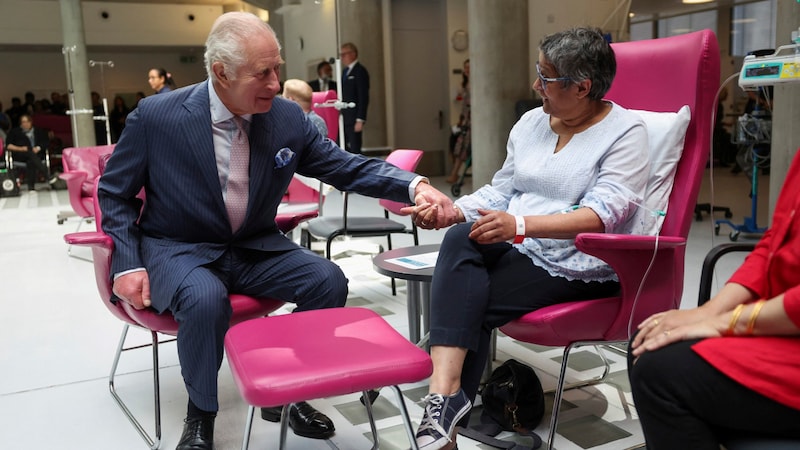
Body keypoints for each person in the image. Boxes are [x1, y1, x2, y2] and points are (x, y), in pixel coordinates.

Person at [97, 12, 455, 450]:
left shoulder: (286, 118)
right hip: (180, 247)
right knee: (205, 298)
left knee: (327, 280)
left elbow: (343, 166)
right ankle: (201, 414)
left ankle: (289, 391)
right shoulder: (158, 117)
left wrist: (413, 183)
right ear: (221, 73)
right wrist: (127, 264)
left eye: (277, 68)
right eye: (262, 73)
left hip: (252, 245)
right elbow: (114, 194)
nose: (274, 83)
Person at [409, 27, 650, 450]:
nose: (535, 85)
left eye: (546, 77)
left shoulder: (627, 133)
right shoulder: (531, 122)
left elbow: (602, 215)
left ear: (582, 86)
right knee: (460, 238)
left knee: (470, 299)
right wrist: (452, 210)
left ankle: (442, 416)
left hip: (582, 260)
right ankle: (444, 399)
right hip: (523, 246)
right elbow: (501, 191)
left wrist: (519, 226)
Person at [628, 149, 800, 450]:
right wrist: (709, 312)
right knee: (648, 338)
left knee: (660, 373)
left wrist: (726, 323)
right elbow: (777, 239)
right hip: (784, 321)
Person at [4, 114, 55, 192]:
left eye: (27, 122)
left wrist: (38, 148)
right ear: (21, 123)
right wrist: (21, 148)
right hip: (20, 155)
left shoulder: (39, 131)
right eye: (23, 122)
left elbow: (46, 143)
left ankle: (31, 188)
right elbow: (8, 146)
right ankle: (48, 176)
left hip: (36, 155)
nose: (25, 124)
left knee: (31, 160)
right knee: (29, 153)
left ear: (31, 122)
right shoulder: (14, 132)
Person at [340, 42, 369, 154]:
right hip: (344, 116)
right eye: (341, 55)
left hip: (354, 117)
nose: (342, 57)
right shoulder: (344, 72)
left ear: (353, 54)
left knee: (355, 148)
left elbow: (363, 96)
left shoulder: (360, 71)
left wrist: (360, 119)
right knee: (342, 144)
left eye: (345, 54)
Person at [446, 59, 471, 184]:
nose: (467, 70)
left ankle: (455, 174)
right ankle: (455, 174)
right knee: (458, 146)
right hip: (466, 121)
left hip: (472, 122)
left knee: (462, 148)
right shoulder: (466, 84)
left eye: (469, 67)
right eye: (465, 68)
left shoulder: (475, 85)